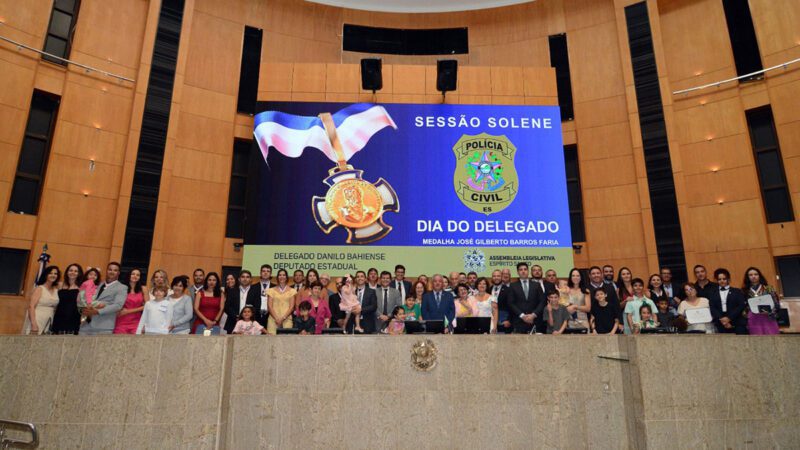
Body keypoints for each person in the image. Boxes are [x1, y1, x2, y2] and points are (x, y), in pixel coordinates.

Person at [79, 262, 128, 335]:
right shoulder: (97, 284)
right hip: (85, 324)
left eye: (115, 270)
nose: (112, 272)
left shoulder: (122, 287)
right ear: (107, 271)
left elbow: (117, 305)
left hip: (103, 326)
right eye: (110, 269)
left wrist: (97, 311)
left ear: (118, 273)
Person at [508, 262, 545, 333]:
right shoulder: (513, 286)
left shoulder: (536, 285)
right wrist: (522, 316)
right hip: (519, 320)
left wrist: (533, 315)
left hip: (535, 320)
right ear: (518, 272)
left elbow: (542, 302)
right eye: (520, 270)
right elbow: (511, 303)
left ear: (528, 271)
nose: (523, 271)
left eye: (525, 269)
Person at [742, 267, 780, 335]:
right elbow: (743, 306)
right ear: (747, 277)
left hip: (768, 317)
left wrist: (771, 311)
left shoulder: (769, 288)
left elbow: (776, 303)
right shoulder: (744, 291)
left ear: (759, 276)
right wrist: (746, 314)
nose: (753, 276)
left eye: (756, 274)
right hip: (753, 318)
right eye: (750, 275)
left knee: (773, 339)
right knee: (757, 341)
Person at [709, 268, 748, 334]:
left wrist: (729, 318)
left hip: (736, 321)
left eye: (724, 279)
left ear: (728, 279)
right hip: (720, 323)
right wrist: (722, 319)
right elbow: (712, 307)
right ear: (716, 280)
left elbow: (741, 306)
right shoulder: (713, 293)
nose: (722, 281)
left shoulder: (737, 291)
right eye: (719, 279)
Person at [24, 265, 61, 335]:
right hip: (38, 318)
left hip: (50, 320)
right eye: (50, 273)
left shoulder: (57, 290)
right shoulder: (39, 289)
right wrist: (33, 324)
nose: (53, 275)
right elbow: (31, 306)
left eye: (55, 274)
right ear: (46, 275)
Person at [223, 270, 261, 334]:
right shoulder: (232, 291)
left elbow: (257, 306)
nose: (245, 279)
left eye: (247, 277)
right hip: (233, 322)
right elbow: (227, 307)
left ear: (251, 279)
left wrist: (247, 317)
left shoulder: (255, 291)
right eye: (243, 277)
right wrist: (236, 317)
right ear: (239, 279)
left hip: (250, 324)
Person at [113, 268, 149, 334]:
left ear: (140, 277)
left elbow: (147, 306)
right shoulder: (121, 287)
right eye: (133, 274)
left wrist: (128, 311)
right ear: (129, 275)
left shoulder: (143, 288)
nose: (135, 276)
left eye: (138, 275)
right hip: (121, 319)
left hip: (136, 320)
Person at [51, 263, 83, 335]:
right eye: (70, 270)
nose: (73, 272)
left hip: (74, 318)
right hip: (59, 317)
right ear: (67, 272)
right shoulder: (59, 285)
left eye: (75, 271)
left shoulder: (81, 287)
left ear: (79, 273)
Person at [267, 269, 297, 334]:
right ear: (277, 277)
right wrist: (276, 319)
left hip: (286, 319)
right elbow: (270, 306)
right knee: (272, 341)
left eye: (284, 275)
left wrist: (282, 319)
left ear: (286, 277)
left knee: (286, 341)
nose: (282, 277)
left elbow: (291, 307)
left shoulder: (292, 291)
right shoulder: (271, 290)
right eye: (280, 275)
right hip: (273, 320)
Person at [494, 268, 513, 333]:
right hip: (492, 320)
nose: (505, 275)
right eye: (503, 274)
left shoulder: (509, 289)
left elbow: (512, 306)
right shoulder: (491, 288)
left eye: (507, 274)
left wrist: (509, 320)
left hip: (504, 321)